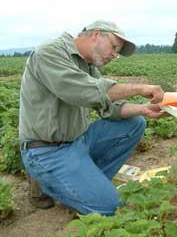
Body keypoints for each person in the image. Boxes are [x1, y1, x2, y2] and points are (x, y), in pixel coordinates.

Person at [19, 20, 166, 215]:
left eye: (117, 52)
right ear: (96, 34)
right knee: (111, 207)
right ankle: (52, 185)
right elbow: (83, 91)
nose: (114, 55)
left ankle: (85, 186)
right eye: (114, 47)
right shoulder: (49, 52)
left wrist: (144, 109)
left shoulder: (88, 66)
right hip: (48, 151)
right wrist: (140, 87)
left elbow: (108, 107)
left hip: (78, 142)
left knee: (135, 123)